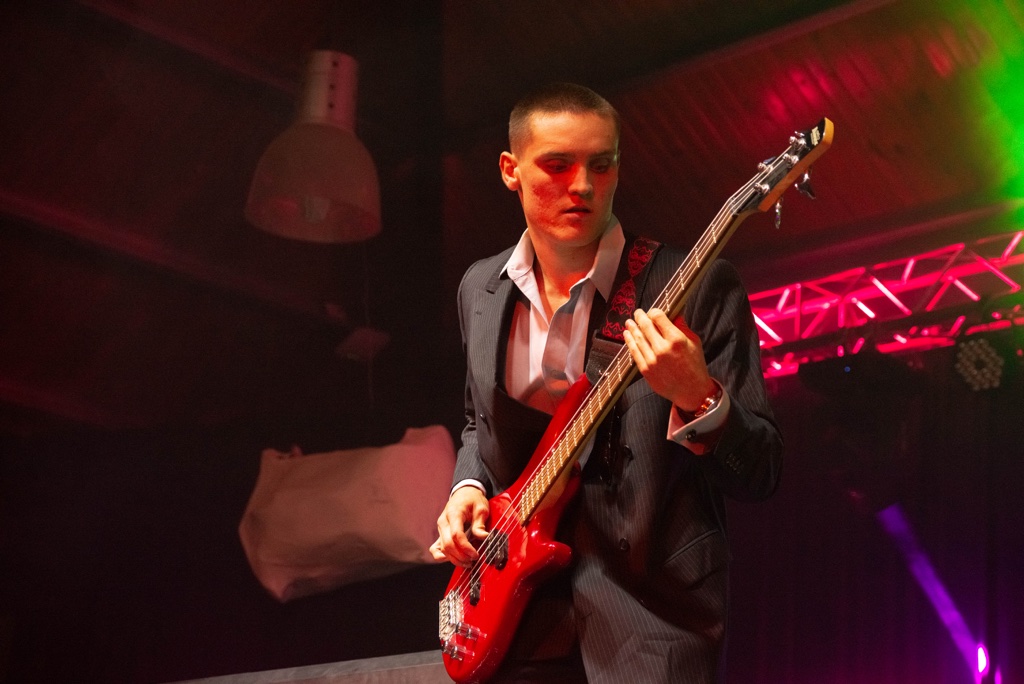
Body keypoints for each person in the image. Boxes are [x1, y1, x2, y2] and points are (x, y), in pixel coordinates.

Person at [431, 82, 783, 683]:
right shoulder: (480, 289)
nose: (583, 186)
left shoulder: (695, 285)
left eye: (602, 164)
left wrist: (698, 396)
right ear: (511, 170)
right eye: (558, 165)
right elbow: (477, 421)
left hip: (651, 615)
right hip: (516, 611)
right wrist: (468, 484)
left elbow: (762, 471)